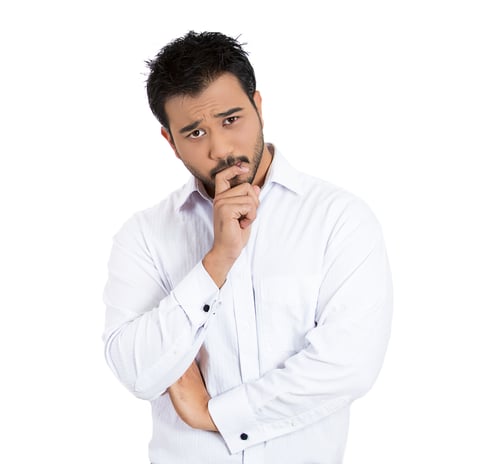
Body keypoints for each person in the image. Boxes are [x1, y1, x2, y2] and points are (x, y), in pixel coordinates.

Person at [102, 31, 393, 464]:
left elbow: (347, 366)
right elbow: (137, 371)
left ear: (258, 105)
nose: (219, 148)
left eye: (231, 119)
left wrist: (211, 413)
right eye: (196, 132)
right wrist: (217, 261)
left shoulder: (339, 219)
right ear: (170, 141)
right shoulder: (144, 236)